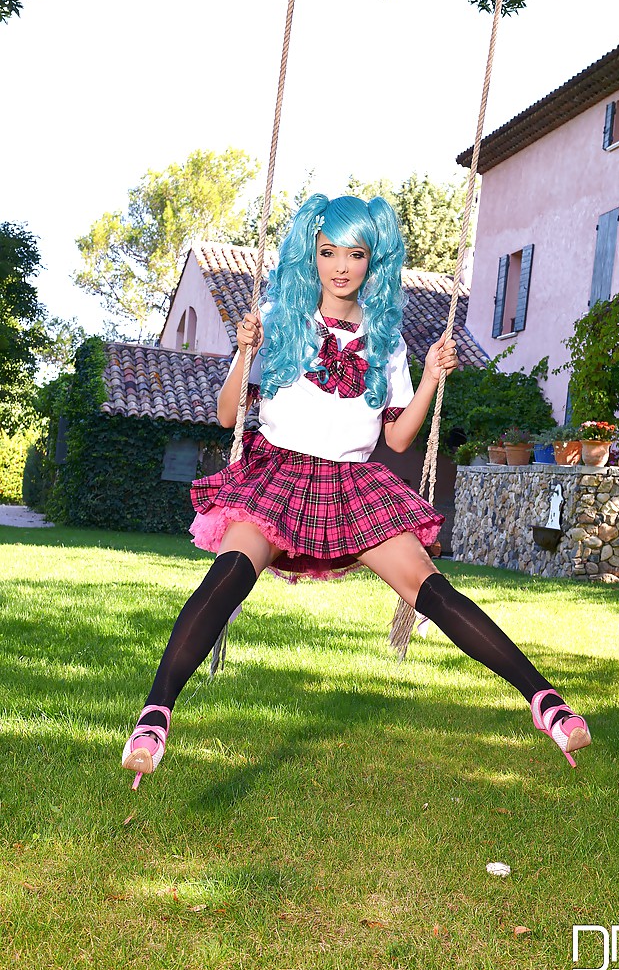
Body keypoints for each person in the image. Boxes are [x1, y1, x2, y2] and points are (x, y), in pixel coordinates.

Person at [122, 194, 590, 789]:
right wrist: (243, 354)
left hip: (351, 485)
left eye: (355, 254)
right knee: (232, 570)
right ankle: (155, 715)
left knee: (431, 588)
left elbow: (397, 437)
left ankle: (545, 701)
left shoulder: (386, 339)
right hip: (279, 478)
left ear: (375, 260)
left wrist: (430, 378)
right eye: (328, 252)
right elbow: (225, 415)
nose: (340, 266)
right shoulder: (280, 317)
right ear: (311, 255)